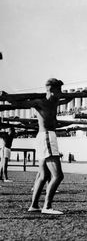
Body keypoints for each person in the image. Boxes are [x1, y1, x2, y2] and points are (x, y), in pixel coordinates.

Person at [7, 78, 72, 215]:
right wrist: (8, 97)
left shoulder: (54, 102)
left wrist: (80, 93)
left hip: (47, 136)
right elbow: (22, 104)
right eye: (59, 90)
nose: (61, 93)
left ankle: (34, 205)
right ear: (52, 90)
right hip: (46, 136)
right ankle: (47, 206)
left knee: (43, 175)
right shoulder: (41, 102)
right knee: (58, 176)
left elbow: (66, 100)